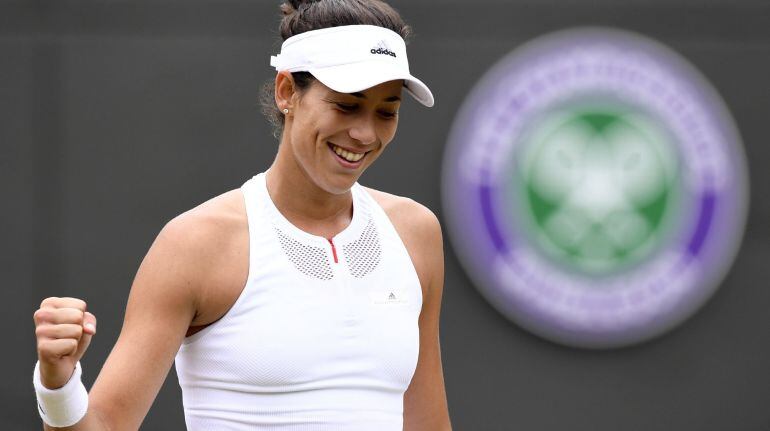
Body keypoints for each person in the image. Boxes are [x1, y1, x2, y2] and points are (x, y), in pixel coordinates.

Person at [32, 0, 451, 429]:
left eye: (387, 111)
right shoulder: (197, 242)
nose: (365, 133)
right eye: (346, 105)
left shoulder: (415, 232)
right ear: (287, 91)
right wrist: (58, 387)